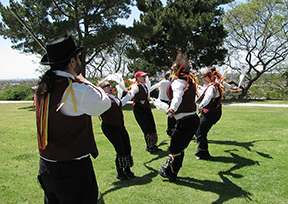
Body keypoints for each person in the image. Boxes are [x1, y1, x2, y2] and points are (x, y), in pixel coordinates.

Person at [35, 34, 111, 203]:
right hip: (72, 170)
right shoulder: (75, 88)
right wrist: (84, 79)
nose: (79, 60)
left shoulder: (42, 86)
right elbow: (104, 103)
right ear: (71, 62)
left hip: (46, 166)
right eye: (77, 57)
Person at [158, 52, 200, 182]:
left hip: (186, 121)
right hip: (191, 120)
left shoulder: (178, 82)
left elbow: (177, 96)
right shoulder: (188, 81)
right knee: (177, 147)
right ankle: (169, 169)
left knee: (176, 147)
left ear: (175, 70)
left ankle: (171, 172)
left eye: (172, 69)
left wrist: (172, 108)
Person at [98, 79, 137, 181]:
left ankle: (128, 171)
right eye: (107, 85)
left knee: (127, 147)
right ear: (102, 89)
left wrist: (130, 93)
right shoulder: (103, 99)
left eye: (110, 85)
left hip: (120, 126)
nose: (110, 86)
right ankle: (120, 173)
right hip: (110, 127)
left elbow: (122, 102)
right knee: (120, 149)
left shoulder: (113, 98)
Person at [194, 67, 227, 160]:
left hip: (211, 113)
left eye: (203, 78)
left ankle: (204, 153)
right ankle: (201, 151)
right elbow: (200, 94)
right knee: (198, 131)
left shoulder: (212, 87)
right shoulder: (209, 86)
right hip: (209, 112)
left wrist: (200, 105)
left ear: (207, 78)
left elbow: (207, 98)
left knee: (201, 132)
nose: (202, 80)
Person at [129, 71, 162, 153]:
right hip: (139, 109)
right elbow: (132, 93)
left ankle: (153, 145)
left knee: (152, 126)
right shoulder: (136, 86)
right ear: (137, 78)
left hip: (146, 108)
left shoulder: (144, 86)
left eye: (144, 76)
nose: (144, 78)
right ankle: (150, 146)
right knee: (146, 127)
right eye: (142, 76)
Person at [150, 70, 176, 136]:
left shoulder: (173, 83)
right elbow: (154, 86)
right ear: (167, 77)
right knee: (171, 115)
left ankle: (172, 128)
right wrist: (147, 92)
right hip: (162, 100)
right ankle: (170, 129)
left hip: (169, 100)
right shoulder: (164, 82)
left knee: (172, 114)